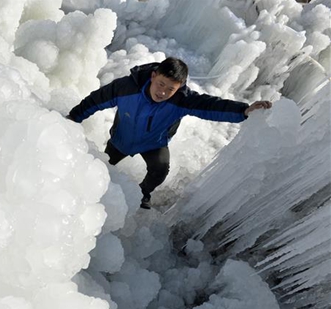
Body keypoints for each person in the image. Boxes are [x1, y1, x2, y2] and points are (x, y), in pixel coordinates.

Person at [66, 57, 272, 209]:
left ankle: (142, 193)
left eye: (170, 89)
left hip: (154, 143)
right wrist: (73, 118)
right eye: (160, 84)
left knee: (160, 169)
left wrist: (243, 110)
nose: (162, 92)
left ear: (180, 87)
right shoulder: (127, 87)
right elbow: (96, 100)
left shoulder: (181, 100)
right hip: (121, 139)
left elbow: (211, 106)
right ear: (154, 75)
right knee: (102, 169)